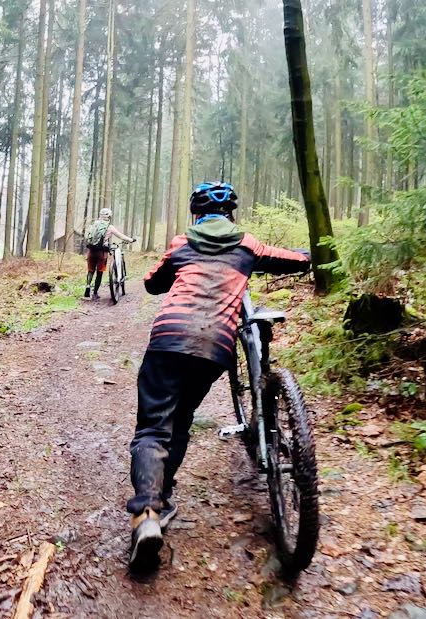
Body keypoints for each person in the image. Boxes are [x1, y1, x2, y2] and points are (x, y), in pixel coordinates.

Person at [127, 181, 311, 573]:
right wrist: (305, 253)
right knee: (181, 422)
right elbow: (294, 261)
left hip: (168, 339)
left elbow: (151, 282)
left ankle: (147, 515)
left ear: (196, 214)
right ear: (231, 215)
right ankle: (164, 497)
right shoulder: (247, 244)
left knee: (152, 429)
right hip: (214, 347)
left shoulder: (181, 244)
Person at [83, 208, 136, 299]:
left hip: (91, 251)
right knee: (99, 273)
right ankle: (95, 293)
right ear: (109, 216)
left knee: (90, 270)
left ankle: (87, 288)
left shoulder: (94, 224)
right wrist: (131, 240)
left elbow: (88, 237)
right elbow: (121, 236)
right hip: (102, 253)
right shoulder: (109, 227)